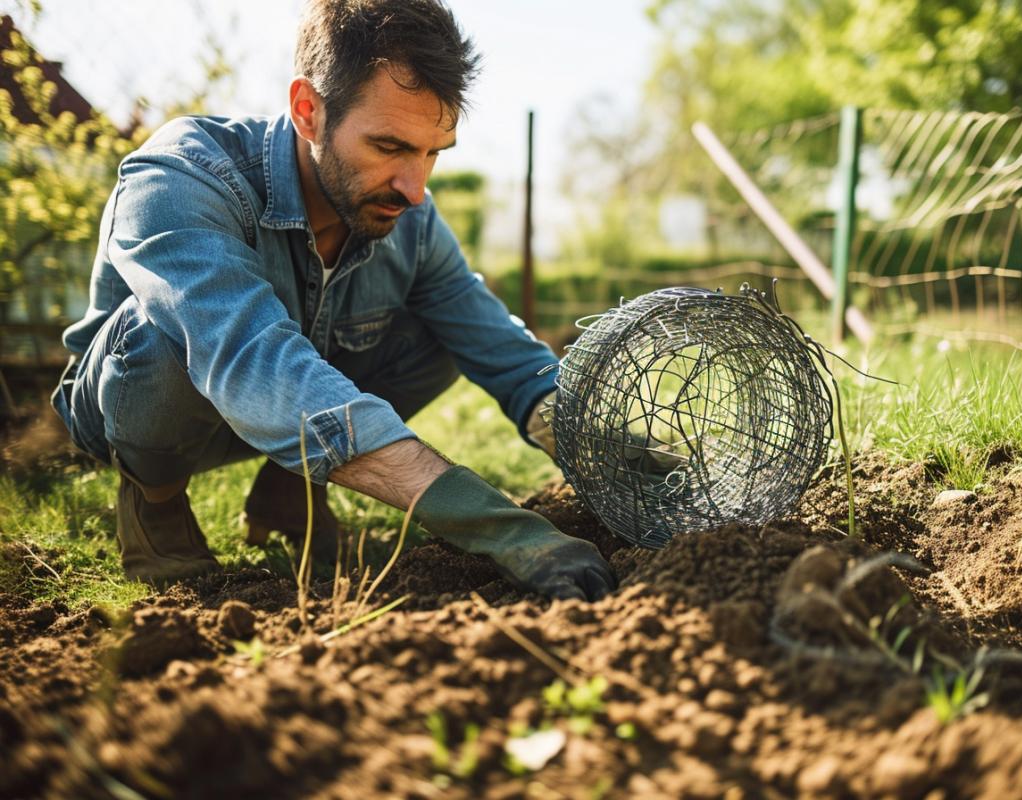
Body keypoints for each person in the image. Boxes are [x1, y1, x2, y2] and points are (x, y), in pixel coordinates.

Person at [49, 0, 615, 602]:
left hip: (284, 399)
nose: (416, 190)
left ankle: (290, 487)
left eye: (432, 153)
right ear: (308, 110)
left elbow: (502, 351)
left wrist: (616, 458)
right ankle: (155, 499)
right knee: (161, 331)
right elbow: (247, 357)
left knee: (450, 329)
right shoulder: (183, 175)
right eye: (390, 146)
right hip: (142, 404)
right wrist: (498, 527)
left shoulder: (411, 222)